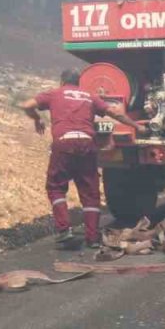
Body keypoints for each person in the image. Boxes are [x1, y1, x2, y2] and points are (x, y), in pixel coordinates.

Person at [18, 68, 140, 248]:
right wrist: (137, 126)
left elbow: (27, 105)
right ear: (79, 83)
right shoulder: (89, 96)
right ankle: (92, 238)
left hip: (64, 143)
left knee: (56, 187)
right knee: (90, 193)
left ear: (62, 82)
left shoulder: (54, 93)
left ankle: (64, 230)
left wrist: (36, 118)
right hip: (86, 144)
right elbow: (116, 113)